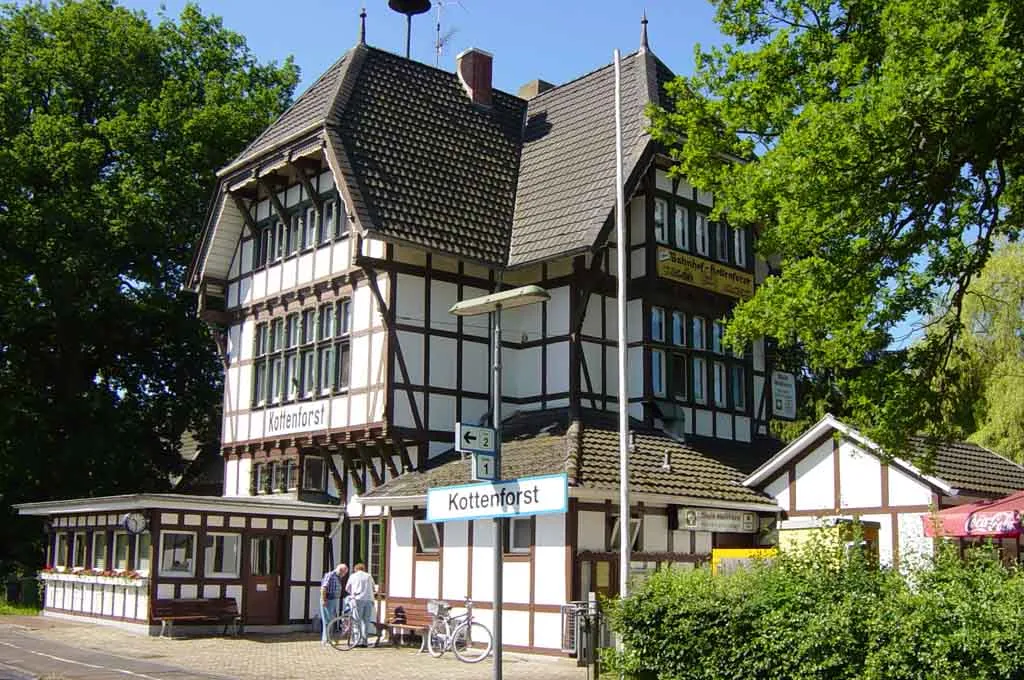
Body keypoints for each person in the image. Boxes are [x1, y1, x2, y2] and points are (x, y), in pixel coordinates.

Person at [346, 562, 376, 647]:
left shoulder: (353, 576)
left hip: (358, 599)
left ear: (355, 569)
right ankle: (364, 641)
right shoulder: (368, 576)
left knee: (356, 620)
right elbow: (373, 587)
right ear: (364, 569)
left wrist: (353, 593)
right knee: (366, 621)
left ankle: (357, 641)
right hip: (369, 600)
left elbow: (347, 588)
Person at [319, 563, 348, 645]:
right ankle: (326, 640)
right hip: (328, 599)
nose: (344, 575)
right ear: (340, 570)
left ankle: (328, 639)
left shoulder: (337, 577)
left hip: (333, 600)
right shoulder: (330, 575)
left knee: (331, 620)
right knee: (327, 621)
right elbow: (324, 588)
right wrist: (324, 600)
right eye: (344, 573)